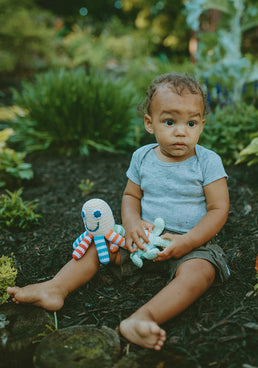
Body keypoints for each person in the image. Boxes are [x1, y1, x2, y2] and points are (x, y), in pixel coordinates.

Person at [7, 72, 230, 351]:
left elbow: (218, 209)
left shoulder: (207, 162)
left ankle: (143, 318)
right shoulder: (143, 157)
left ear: (202, 124)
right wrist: (132, 222)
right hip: (142, 240)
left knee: (201, 272)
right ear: (150, 123)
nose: (181, 131)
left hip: (189, 243)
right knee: (97, 240)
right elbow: (131, 195)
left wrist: (188, 241)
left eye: (192, 122)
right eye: (170, 121)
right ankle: (56, 287)